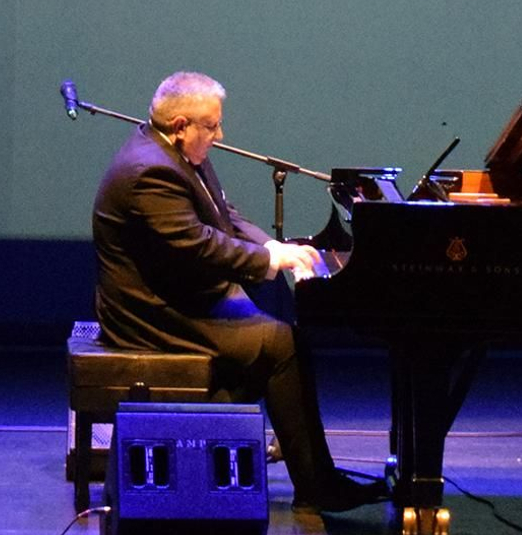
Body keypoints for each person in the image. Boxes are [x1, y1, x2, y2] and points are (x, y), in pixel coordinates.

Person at [91, 70, 384, 512]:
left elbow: (222, 213)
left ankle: (314, 475)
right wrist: (269, 263)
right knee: (281, 343)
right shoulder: (149, 172)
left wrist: (270, 246)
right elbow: (197, 243)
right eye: (212, 126)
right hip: (150, 313)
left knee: (285, 340)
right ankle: (316, 485)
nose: (220, 133)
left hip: (178, 295)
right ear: (181, 126)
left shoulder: (175, 153)